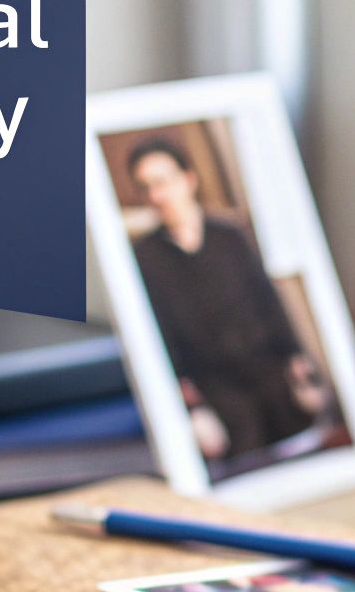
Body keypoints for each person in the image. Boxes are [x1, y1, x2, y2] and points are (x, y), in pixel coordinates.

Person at [125, 135, 329, 464]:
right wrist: (191, 409)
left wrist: (296, 361)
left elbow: (268, 301)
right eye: (146, 187)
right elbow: (158, 336)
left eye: (163, 182)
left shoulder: (229, 236)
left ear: (188, 179)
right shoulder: (144, 257)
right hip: (215, 389)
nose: (157, 196)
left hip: (268, 370)